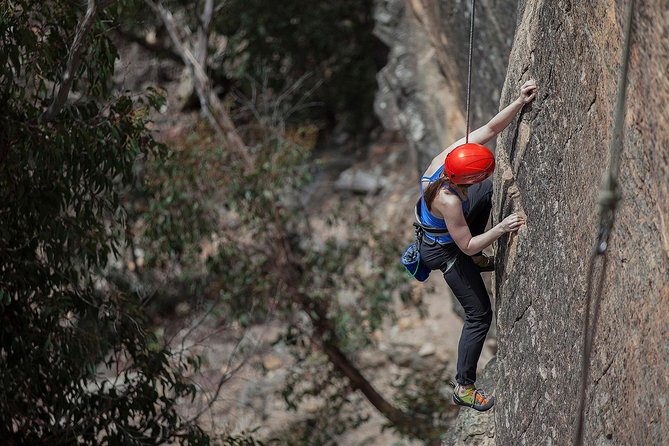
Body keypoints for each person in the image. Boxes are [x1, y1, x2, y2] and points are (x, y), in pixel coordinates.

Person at [418, 79, 537, 411]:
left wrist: (518, 102)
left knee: (485, 194)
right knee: (479, 314)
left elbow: (488, 128)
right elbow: (467, 245)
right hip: (445, 251)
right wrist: (502, 227)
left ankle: (481, 255)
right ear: (461, 179)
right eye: (476, 177)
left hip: (450, 233)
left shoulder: (449, 159)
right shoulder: (448, 201)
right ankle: (463, 386)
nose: (480, 179)